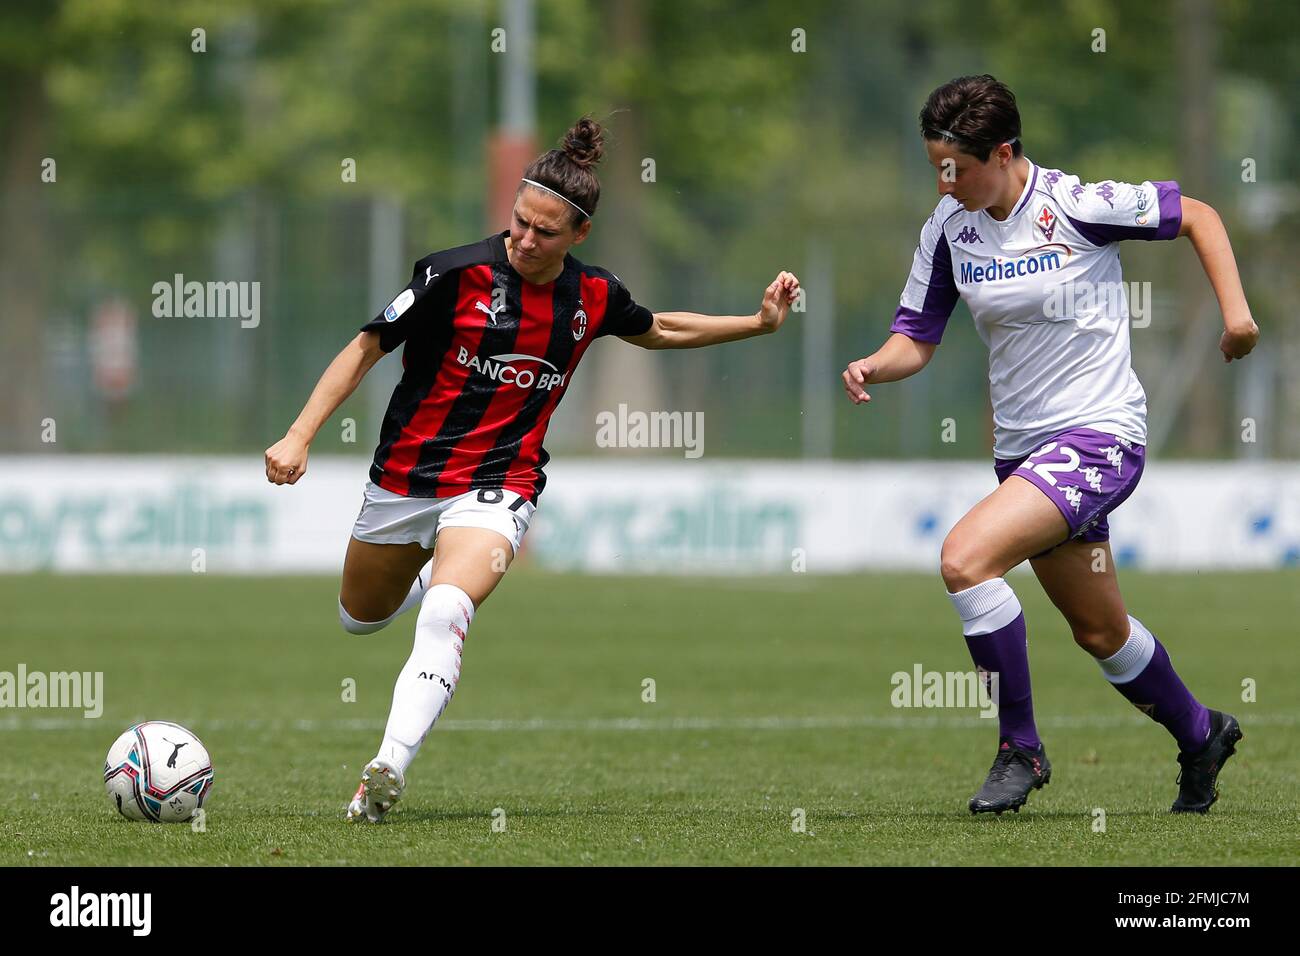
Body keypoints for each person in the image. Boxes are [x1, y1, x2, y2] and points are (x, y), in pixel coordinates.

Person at [265, 117, 801, 822]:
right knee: (359, 619)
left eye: (544, 232)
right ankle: (429, 570)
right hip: (403, 481)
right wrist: (299, 435)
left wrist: (756, 324)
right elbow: (367, 346)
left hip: (500, 484)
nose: (525, 239)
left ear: (578, 235)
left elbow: (661, 329)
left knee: (449, 610)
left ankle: (385, 769)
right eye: (519, 222)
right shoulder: (451, 274)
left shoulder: (594, 297)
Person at [842, 75, 1258, 815]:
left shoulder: (1075, 205)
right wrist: (876, 362)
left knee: (965, 560)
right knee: (1101, 631)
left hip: (1100, 437)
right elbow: (917, 337)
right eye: (936, 164)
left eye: (956, 166)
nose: (945, 180)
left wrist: (1236, 317)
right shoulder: (948, 228)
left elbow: (1198, 215)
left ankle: (1020, 750)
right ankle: (1202, 733)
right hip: (1024, 457)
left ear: (1003, 153)